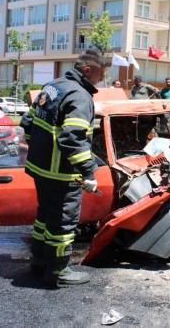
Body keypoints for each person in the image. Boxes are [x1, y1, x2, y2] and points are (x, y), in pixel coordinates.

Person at [20, 49, 110, 287]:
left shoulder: (53, 86)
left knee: (45, 217)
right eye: (101, 73)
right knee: (63, 222)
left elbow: (28, 123)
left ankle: (39, 261)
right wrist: (88, 171)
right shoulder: (80, 96)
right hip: (61, 173)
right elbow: (73, 139)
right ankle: (58, 271)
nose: (102, 78)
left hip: (40, 168)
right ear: (87, 70)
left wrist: (41, 150)